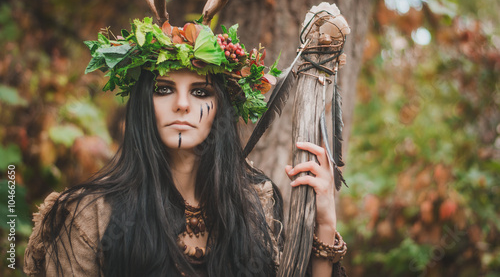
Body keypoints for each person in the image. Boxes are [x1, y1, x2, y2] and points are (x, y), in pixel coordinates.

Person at [23, 18, 347, 276]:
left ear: (221, 107)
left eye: (200, 93)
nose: (181, 105)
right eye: (163, 89)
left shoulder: (254, 207)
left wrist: (324, 223)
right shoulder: (89, 215)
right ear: (142, 104)